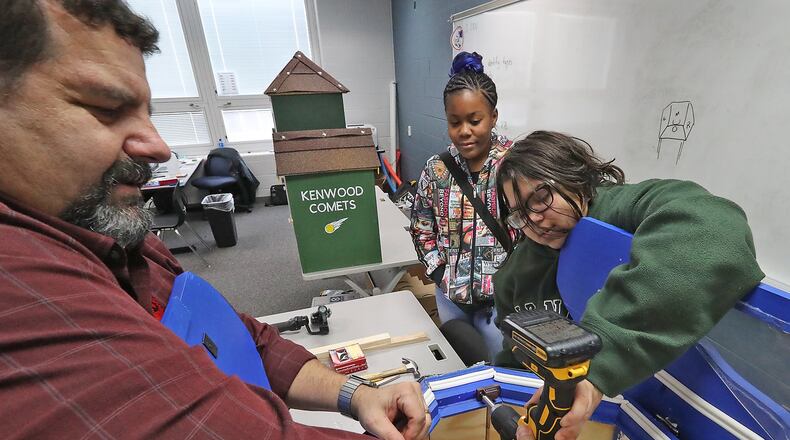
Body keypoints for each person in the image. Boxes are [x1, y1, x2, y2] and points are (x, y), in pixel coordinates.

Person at [0, 1, 429, 439]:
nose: (158, 145)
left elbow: (237, 335)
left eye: (148, 113)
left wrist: (355, 393)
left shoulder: (109, 231)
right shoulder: (20, 290)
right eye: (106, 108)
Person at [492, 131, 764, 440]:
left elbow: (716, 230)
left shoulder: (627, 208)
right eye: (519, 213)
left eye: (540, 198)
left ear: (572, 176)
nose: (534, 220)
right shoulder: (512, 277)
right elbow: (514, 361)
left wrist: (597, 364)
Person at [410, 51, 513, 361]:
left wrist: (514, 284)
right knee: (461, 367)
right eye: (455, 122)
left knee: (500, 374)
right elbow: (421, 226)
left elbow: (533, 233)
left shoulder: (515, 167)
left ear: (493, 117)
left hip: (500, 304)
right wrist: (438, 270)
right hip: (450, 297)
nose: (464, 131)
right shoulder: (436, 170)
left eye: (475, 120)